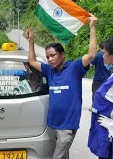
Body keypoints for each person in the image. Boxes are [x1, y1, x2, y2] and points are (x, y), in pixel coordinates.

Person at [26, 13, 98, 159]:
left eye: (53, 55)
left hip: (67, 126)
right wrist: (31, 41)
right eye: (48, 57)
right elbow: (32, 62)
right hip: (52, 124)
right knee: (63, 156)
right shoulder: (49, 71)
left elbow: (91, 55)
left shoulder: (75, 68)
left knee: (57, 157)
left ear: (62, 55)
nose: (50, 59)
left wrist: (92, 28)